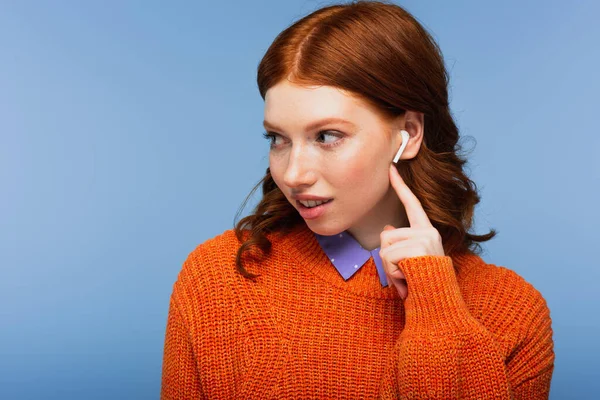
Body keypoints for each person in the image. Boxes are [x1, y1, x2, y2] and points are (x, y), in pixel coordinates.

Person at [160, 1, 555, 398]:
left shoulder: (513, 313)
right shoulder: (218, 277)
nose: (293, 174)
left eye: (327, 136)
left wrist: (436, 308)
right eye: (278, 138)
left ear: (409, 133)